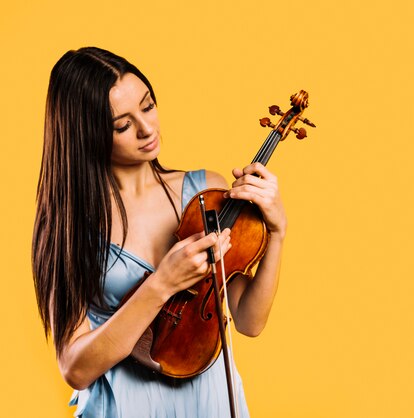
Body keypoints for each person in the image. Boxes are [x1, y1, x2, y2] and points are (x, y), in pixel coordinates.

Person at [32, 47, 287, 418]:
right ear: (86, 133)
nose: (147, 129)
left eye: (148, 106)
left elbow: (248, 320)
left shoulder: (204, 194)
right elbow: (76, 368)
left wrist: (277, 231)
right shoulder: (68, 228)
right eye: (122, 125)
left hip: (210, 404)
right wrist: (161, 284)